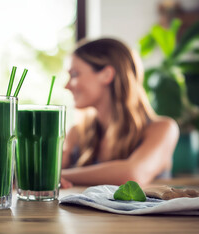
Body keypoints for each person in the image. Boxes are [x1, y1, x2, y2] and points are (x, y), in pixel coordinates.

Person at [61, 38, 179, 188]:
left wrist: (59, 176)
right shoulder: (77, 133)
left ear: (107, 74)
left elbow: (133, 174)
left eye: (75, 74)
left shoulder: (162, 128)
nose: (66, 86)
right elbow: (46, 170)